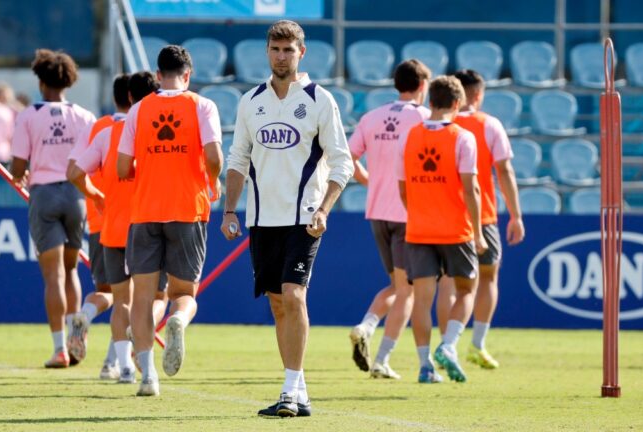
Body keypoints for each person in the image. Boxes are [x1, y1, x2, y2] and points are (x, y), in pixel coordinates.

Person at [222, 20, 353, 417]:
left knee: (294, 295)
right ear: (267, 52)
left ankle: (290, 391)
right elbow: (237, 159)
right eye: (275, 49)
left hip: (304, 216)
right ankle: (299, 389)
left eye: (288, 50)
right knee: (278, 304)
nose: (282, 56)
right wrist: (230, 209)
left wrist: (324, 209)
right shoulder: (251, 101)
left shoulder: (319, 99)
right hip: (262, 218)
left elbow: (342, 163)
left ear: (302, 52)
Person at [117, 46, 223, 397]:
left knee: (143, 297)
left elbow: (121, 167)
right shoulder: (202, 105)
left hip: (145, 210)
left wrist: (148, 169)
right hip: (187, 209)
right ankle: (177, 320)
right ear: (188, 75)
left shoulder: (139, 109)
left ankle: (148, 376)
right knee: (183, 294)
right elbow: (214, 156)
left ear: (158, 75)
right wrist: (213, 180)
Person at [70, 71, 162, 384]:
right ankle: (143, 366)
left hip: (110, 227)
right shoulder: (154, 131)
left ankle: (122, 368)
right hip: (146, 229)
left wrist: (96, 195)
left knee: (119, 300)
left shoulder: (105, 132)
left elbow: (74, 171)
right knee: (148, 301)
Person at [398, 75, 487, 383]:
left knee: (422, 299)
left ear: (431, 101)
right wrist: (477, 232)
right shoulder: (463, 137)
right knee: (467, 289)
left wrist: (418, 214)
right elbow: (471, 188)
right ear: (458, 103)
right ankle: (448, 346)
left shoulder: (409, 136)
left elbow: (403, 188)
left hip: (419, 229)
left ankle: (425, 366)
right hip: (455, 229)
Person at [10, 49, 96, 368]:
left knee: (53, 276)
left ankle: (60, 348)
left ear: (40, 79)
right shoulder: (84, 116)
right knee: (72, 270)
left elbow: (17, 168)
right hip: (76, 196)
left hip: (44, 194)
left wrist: (21, 171)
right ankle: (77, 341)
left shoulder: (29, 115)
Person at [435, 69, 525, 370]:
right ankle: (475, 344)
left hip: (444, 215)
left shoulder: (437, 124)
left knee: (448, 283)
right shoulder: (488, 124)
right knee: (487, 277)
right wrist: (515, 214)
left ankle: (447, 346)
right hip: (482, 215)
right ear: (477, 94)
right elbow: (504, 171)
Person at [347, 59, 432, 380]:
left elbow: (348, 156)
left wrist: (370, 181)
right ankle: (381, 358)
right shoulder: (425, 119)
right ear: (422, 86)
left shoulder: (372, 117)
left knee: (398, 285)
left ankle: (366, 327)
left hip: (377, 212)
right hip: (408, 213)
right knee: (407, 290)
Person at [65, 74, 131, 375]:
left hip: (98, 220)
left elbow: (73, 168)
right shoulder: (137, 128)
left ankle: (85, 315)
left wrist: (94, 195)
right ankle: (116, 362)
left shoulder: (97, 127)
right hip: (132, 220)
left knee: (109, 291)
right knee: (132, 298)